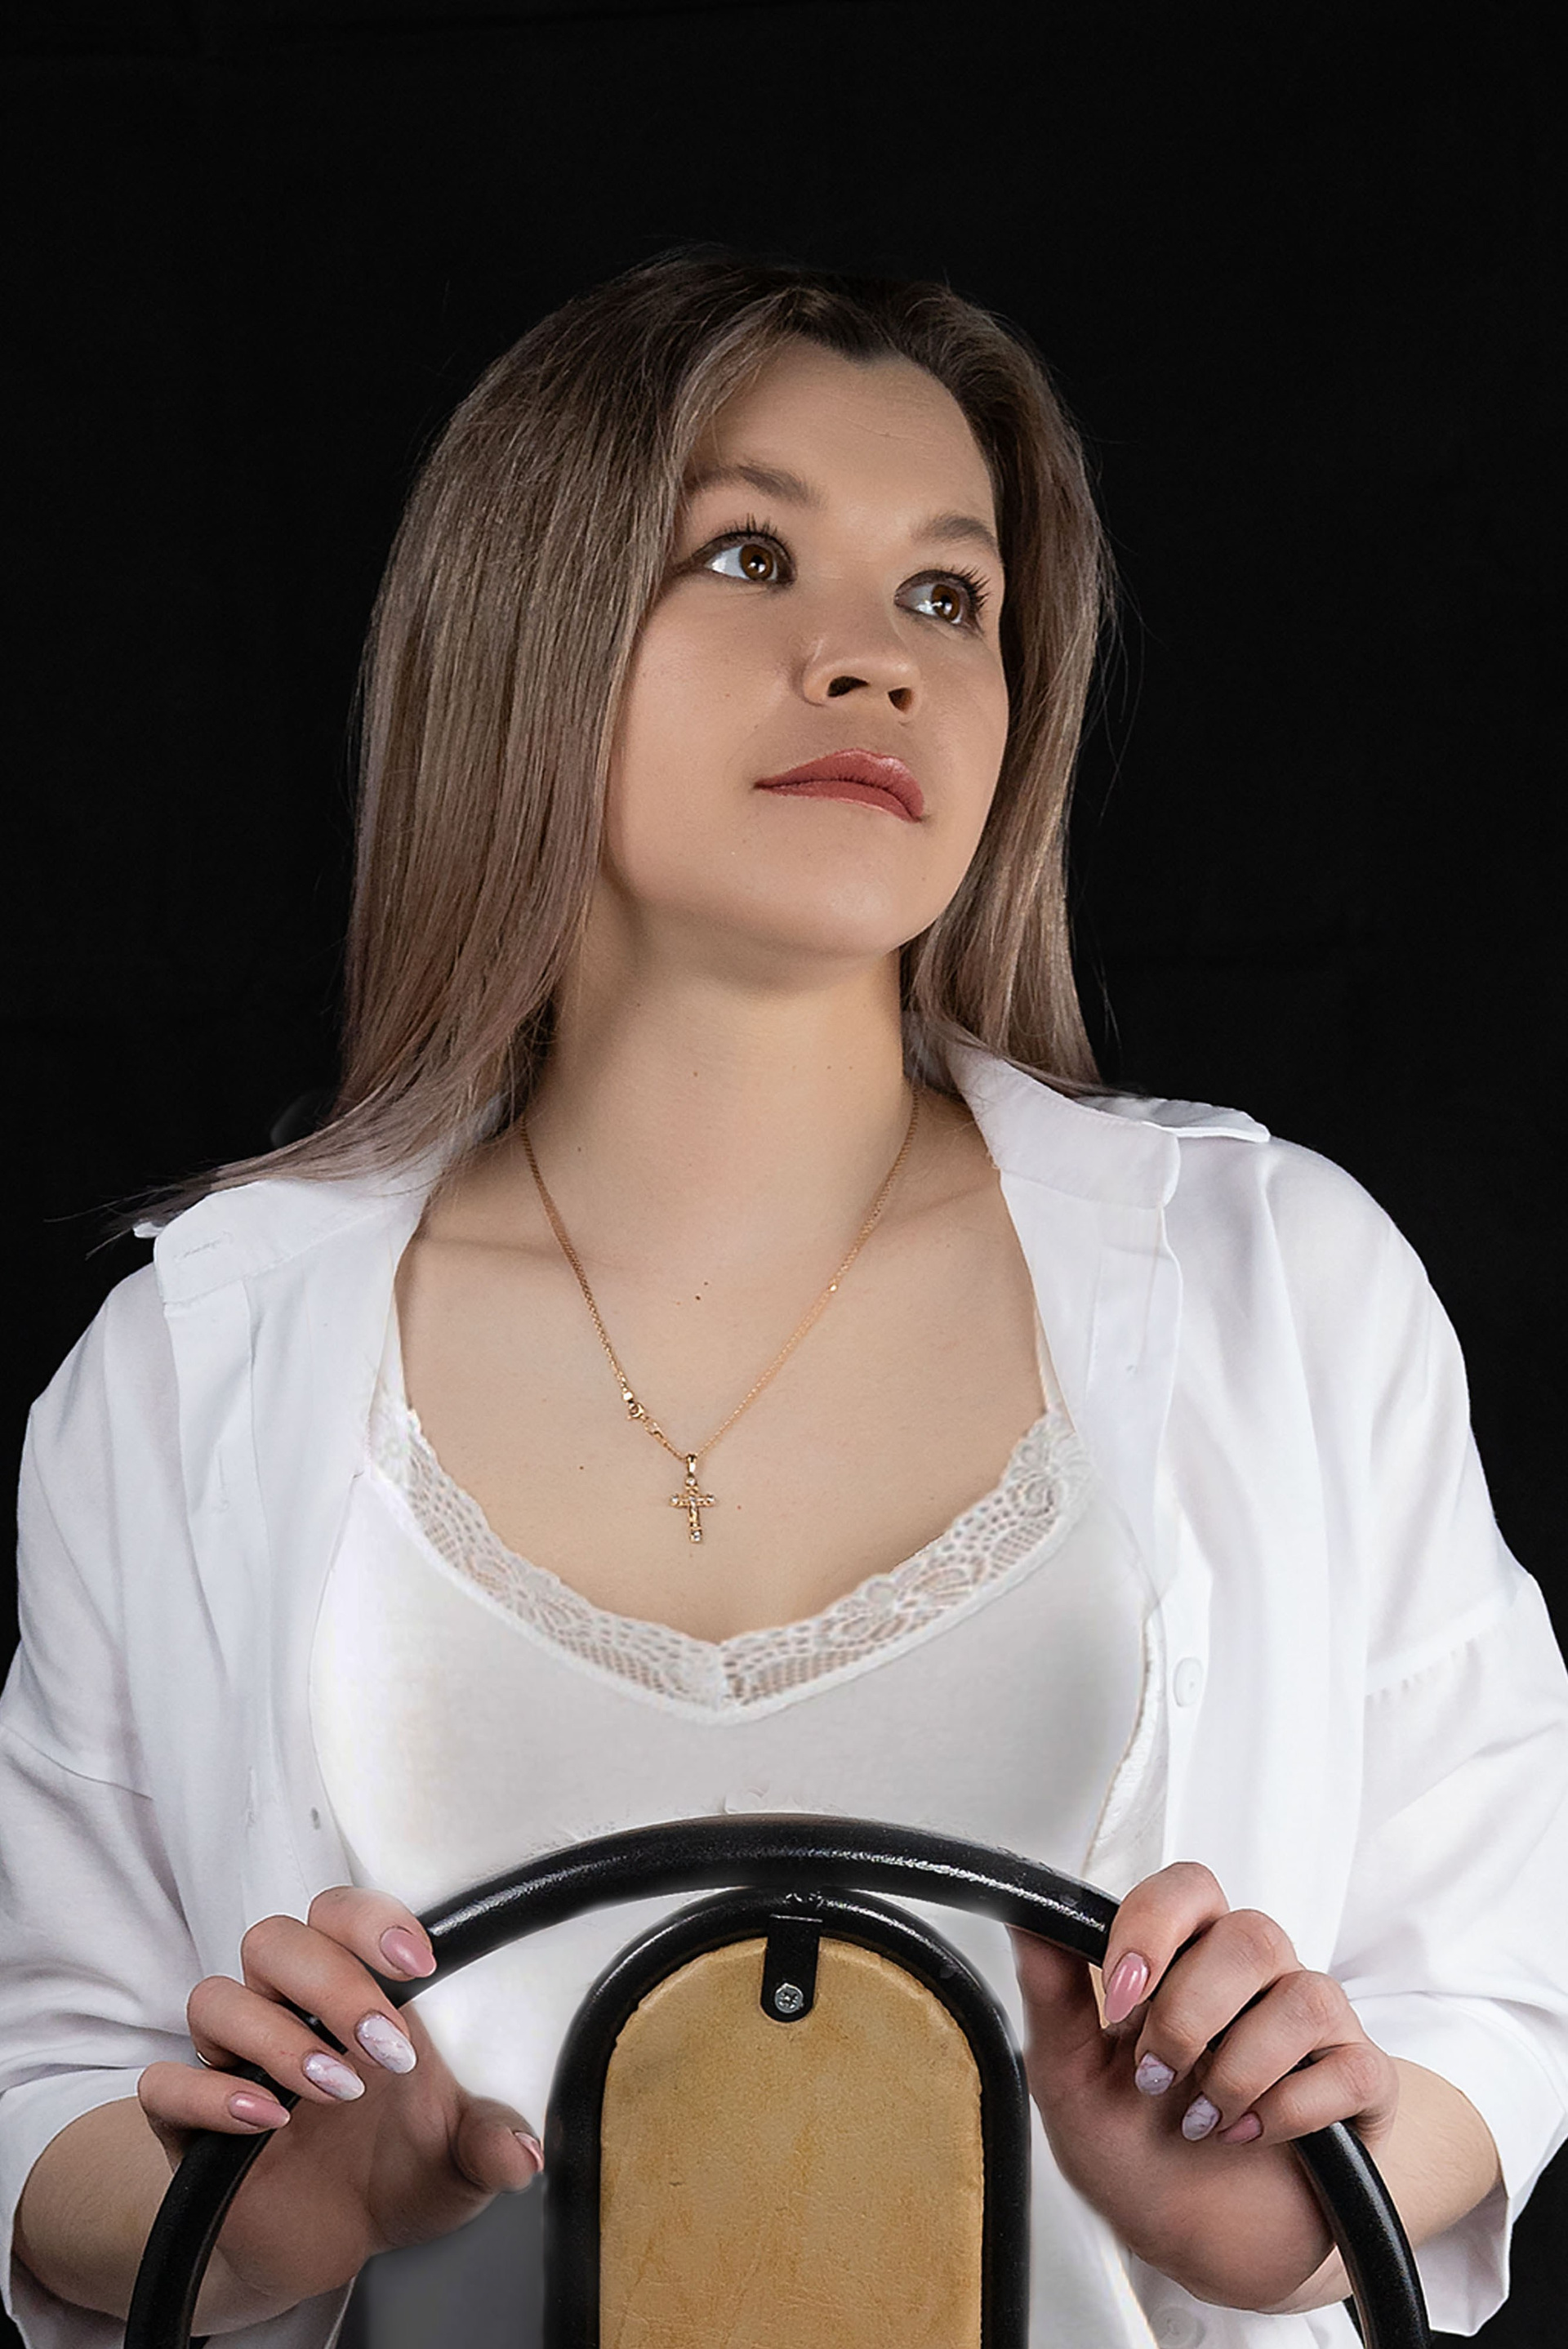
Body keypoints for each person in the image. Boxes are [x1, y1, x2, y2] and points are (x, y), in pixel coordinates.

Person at [2, 252, 1566, 2349]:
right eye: (750, 555)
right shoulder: (188, 1366)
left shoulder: (1286, 1288)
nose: (875, 662)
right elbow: (44, 2091)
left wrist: (1281, 2205)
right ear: (528, 624)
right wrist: (277, 2200)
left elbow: (1495, 1984)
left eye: (949, 595)